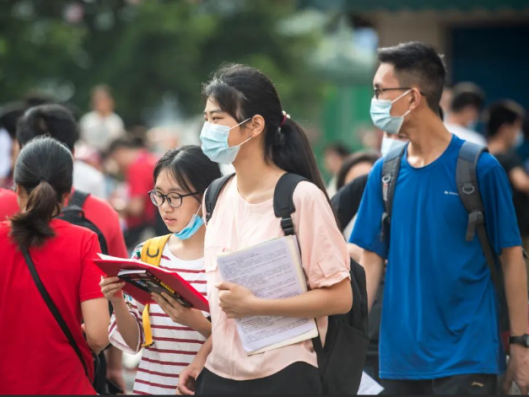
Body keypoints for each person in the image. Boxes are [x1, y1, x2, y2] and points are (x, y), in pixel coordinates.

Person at [351, 41, 529, 395]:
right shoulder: (383, 173)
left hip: (468, 355)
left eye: (379, 91)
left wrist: (521, 345)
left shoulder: (480, 167)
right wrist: (349, 340)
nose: (375, 102)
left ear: (413, 98)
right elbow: (369, 261)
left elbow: (511, 258)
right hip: (399, 358)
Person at [177, 64, 352, 395]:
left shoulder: (301, 198)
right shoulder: (214, 196)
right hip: (219, 375)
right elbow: (226, 303)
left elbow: (340, 297)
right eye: (206, 118)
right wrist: (202, 359)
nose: (207, 128)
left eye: (217, 119)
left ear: (254, 125)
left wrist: (258, 306)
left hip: (283, 375)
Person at [0, 104, 129, 392]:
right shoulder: (101, 215)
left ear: (20, 152)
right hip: (72, 374)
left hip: (0, 377)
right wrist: (115, 368)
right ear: (72, 154)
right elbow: (114, 293)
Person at [100, 145, 221, 395]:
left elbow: (246, 339)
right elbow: (133, 344)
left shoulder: (226, 257)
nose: (165, 207)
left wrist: (196, 323)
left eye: (175, 196)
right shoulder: (147, 254)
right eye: (159, 196)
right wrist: (117, 301)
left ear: (207, 195)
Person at [485, 101, 529, 245]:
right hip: (517, 233)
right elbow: (522, 183)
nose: (519, 134)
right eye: (517, 128)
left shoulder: (481, 155)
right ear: (505, 129)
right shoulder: (507, 157)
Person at [107, 137, 162, 249]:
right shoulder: (149, 158)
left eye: (115, 159)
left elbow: (136, 208)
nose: (117, 165)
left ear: (120, 152)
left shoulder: (137, 167)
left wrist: (111, 205)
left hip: (147, 229)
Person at [80, 85, 125, 152]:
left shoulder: (116, 121)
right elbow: (83, 141)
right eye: (98, 100)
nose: (101, 103)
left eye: (104, 100)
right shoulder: (87, 120)